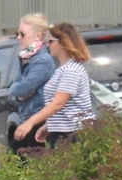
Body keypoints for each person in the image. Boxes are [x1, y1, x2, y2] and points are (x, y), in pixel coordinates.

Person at [15, 22, 97, 152]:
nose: (48, 45)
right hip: (62, 132)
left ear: (63, 44)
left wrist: (30, 122)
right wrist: (49, 125)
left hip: (74, 133)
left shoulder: (72, 70)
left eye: (51, 41)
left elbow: (58, 103)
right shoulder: (62, 70)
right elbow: (66, 107)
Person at [7, 13, 55, 152]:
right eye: (17, 33)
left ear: (38, 36)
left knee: (24, 159)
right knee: (15, 158)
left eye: (22, 34)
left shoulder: (42, 60)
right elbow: (17, 87)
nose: (18, 38)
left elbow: (23, 89)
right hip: (26, 117)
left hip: (38, 119)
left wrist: (18, 90)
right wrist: (18, 90)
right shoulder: (26, 58)